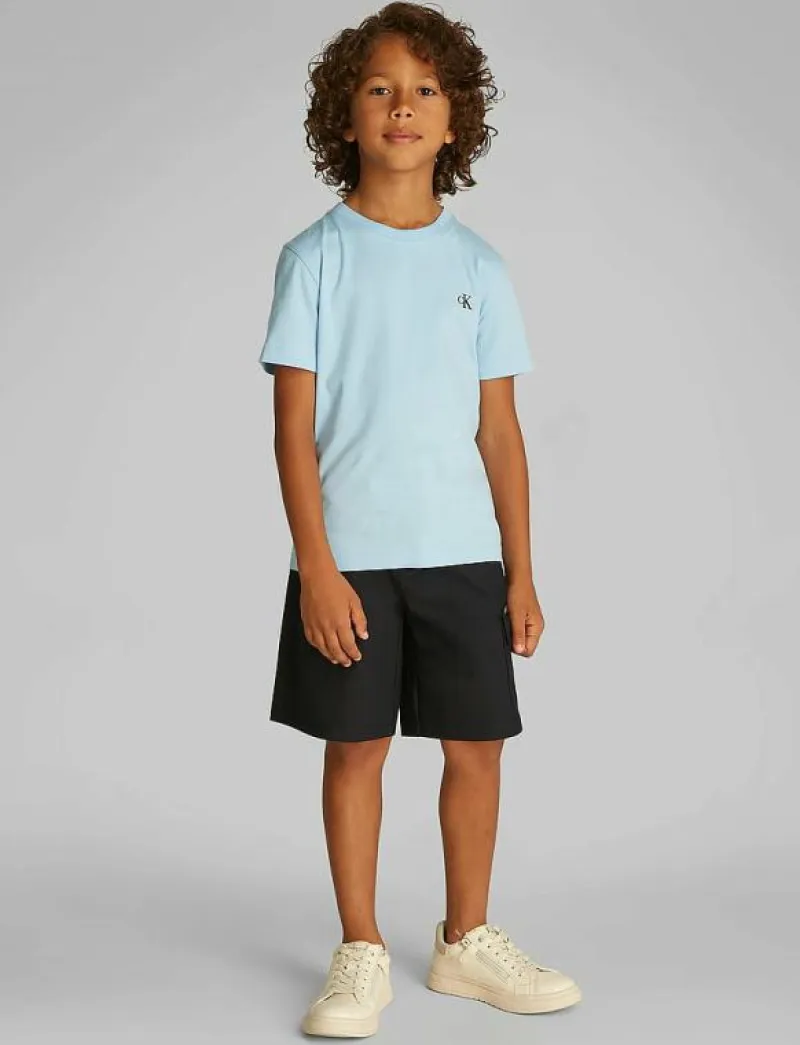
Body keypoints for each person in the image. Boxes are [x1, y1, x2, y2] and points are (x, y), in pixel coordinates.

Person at [257, 2, 581, 1036]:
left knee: (476, 745)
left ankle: (463, 940)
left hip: (461, 555)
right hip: (350, 558)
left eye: (425, 90)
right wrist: (317, 567)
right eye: (380, 88)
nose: (402, 106)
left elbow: (500, 433)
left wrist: (520, 570)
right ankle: (359, 948)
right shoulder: (314, 257)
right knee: (355, 749)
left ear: (454, 121)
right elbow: (292, 433)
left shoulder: (479, 267)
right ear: (344, 115)